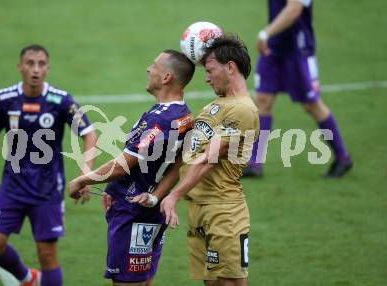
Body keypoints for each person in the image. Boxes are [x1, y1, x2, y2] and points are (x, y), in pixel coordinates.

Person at [134, 34, 259, 286]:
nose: (206, 77)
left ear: (230, 67)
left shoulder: (243, 110)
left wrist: (175, 195)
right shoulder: (217, 105)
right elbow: (186, 154)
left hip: (223, 211)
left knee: (230, 282)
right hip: (199, 209)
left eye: (211, 70)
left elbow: (208, 159)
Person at [68, 49, 195, 286]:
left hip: (134, 213)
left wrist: (82, 180)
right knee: (143, 281)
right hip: (147, 208)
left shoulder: (161, 119)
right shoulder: (184, 115)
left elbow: (123, 165)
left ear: (166, 77)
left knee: (128, 283)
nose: (149, 69)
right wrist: (156, 196)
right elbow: (178, 163)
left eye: (154, 65)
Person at [0, 44, 97, 286]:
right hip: (11, 186)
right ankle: (27, 278)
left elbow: (89, 133)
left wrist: (86, 174)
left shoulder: (60, 100)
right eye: (30, 63)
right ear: (19, 67)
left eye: (41, 64)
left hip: (47, 190)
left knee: (47, 255)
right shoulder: (5, 98)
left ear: (48, 69)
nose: (35, 69)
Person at [244, 0, 352, 178]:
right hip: (273, 48)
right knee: (262, 100)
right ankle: (254, 163)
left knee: (311, 105)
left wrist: (265, 33)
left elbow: (294, 9)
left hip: (297, 52)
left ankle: (343, 157)